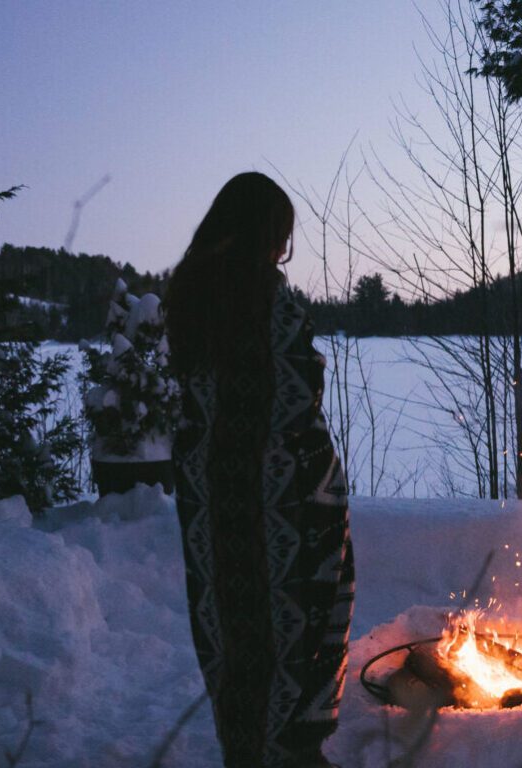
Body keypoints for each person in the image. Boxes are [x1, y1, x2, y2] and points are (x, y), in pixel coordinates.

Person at [165, 171, 354, 768]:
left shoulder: (188, 294)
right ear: (264, 232)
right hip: (283, 501)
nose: (282, 249)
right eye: (280, 235)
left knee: (230, 624)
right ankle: (292, 750)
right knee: (302, 621)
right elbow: (294, 395)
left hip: (209, 494)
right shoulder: (267, 299)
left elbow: (197, 395)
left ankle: (246, 746)